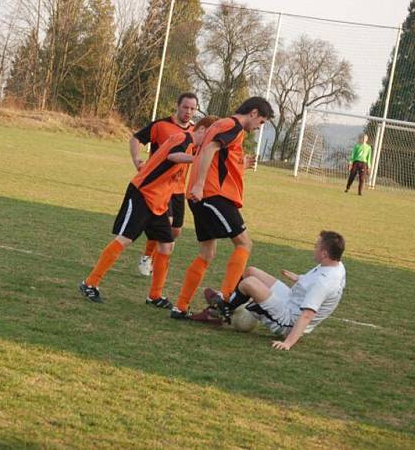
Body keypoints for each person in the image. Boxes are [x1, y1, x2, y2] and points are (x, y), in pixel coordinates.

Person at [79, 116, 218, 306]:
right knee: (125, 239)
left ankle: (154, 295)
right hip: (143, 194)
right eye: (210, 136)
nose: (210, 143)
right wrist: (197, 159)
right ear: (201, 129)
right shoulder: (183, 138)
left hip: (159, 201)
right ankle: (90, 283)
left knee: (166, 246)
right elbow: (173, 156)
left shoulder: (192, 146)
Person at [170, 96, 274, 321]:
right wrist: (199, 184)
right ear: (253, 113)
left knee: (207, 253)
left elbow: (216, 155)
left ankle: (180, 307)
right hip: (212, 195)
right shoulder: (233, 126)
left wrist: (241, 164)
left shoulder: (223, 126)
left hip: (202, 195)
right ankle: (226, 301)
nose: (259, 127)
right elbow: (208, 151)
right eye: (262, 121)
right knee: (244, 243)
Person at [207, 231, 346, 351]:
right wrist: (300, 278)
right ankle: (228, 306)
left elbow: (307, 315)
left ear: (325, 253)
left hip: (289, 320)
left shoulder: (324, 282)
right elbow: (316, 283)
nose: (313, 249)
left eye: (316, 246)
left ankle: (223, 310)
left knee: (249, 284)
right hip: (291, 300)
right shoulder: (336, 265)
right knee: (251, 272)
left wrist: (288, 343)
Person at [130, 92, 198, 276]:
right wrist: (137, 159)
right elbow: (136, 139)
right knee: (165, 227)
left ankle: (152, 257)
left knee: (175, 231)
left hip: (179, 189)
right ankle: (147, 258)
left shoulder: (195, 132)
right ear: (177, 105)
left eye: (192, 108)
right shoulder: (161, 125)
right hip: (159, 186)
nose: (188, 112)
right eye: (185, 107)